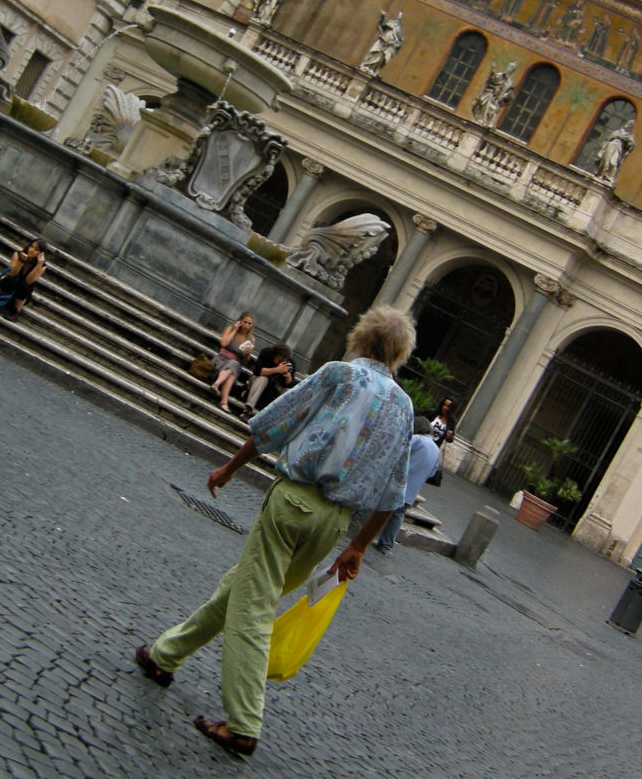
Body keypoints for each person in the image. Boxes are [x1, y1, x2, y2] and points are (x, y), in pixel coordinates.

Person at [134, 306, 417, 757]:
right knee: (243, 588)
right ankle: (164, 655)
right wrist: (358, 548)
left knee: (252, 608)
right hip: (334, 523)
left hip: (293, 502)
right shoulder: (404, 407)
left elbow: (275, 425)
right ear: (400, 353)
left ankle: (244, 723)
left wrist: (230, 467)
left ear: (361, 336)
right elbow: (394, 490)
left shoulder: (338, 375)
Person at [373, 417, 441, 553]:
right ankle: (386, 544)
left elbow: (399, 452)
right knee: (397, 515)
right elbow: (432, 473)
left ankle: (367, 534)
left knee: (380, 508)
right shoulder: (436, 450)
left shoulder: (417, 440)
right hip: (413, 489)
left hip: (398, 482)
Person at [0, 240, 48, 322]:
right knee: (10, 279)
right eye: (31, 246)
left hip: (21, 294)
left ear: (41, 254)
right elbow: (12, 274)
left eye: (36, 249)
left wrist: (39, 265)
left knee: (24, 285)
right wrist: (21, 261)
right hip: (9, 287)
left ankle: (15, 313)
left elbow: (29, 281)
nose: (31, 250)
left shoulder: (42, 266)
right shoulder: (18, 255)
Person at [209, 312, 255, 414]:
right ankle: (223, 401)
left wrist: (247, 355)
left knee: (234, 366)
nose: (246, 325)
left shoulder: (250, 340)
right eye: (245, 322)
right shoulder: (230, 329)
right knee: (233, 367)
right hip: (221, 361)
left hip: (234, 365)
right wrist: (234, 330)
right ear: (240, 322)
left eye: (249, 323)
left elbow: (245, 362)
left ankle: (218, 387)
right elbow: (223, 343)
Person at [245, 343, 294, 411]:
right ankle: (248, 409)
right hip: (257, 383)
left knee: (289, 391)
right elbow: (257, 371)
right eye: (279, 360)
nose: (280, 363)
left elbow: (290, 386)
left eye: (283, 361)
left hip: (274, 390)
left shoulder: (290, 363)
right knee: (262, 379)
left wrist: (288, 376)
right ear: (274, 355)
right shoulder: (266, 353)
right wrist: (277, 370)